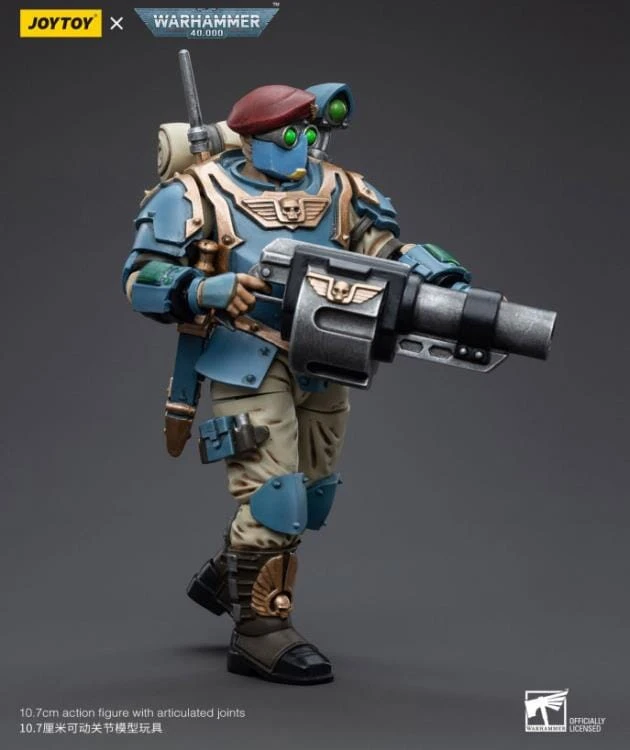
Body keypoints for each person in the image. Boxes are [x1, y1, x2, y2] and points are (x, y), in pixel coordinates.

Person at [123, 83, 471, 684]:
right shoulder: (197, 193)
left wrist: (440, 279)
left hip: (327, 350)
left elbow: (385, 250)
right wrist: (205, 288)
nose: (302, 145)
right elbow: (140, 279)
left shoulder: (340, 189)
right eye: (289, 134)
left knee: (312, 495)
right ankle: (260, 630)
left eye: (311, 133)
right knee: (275, 496)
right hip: (244, 354)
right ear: (250, 138)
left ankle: (229, 573)